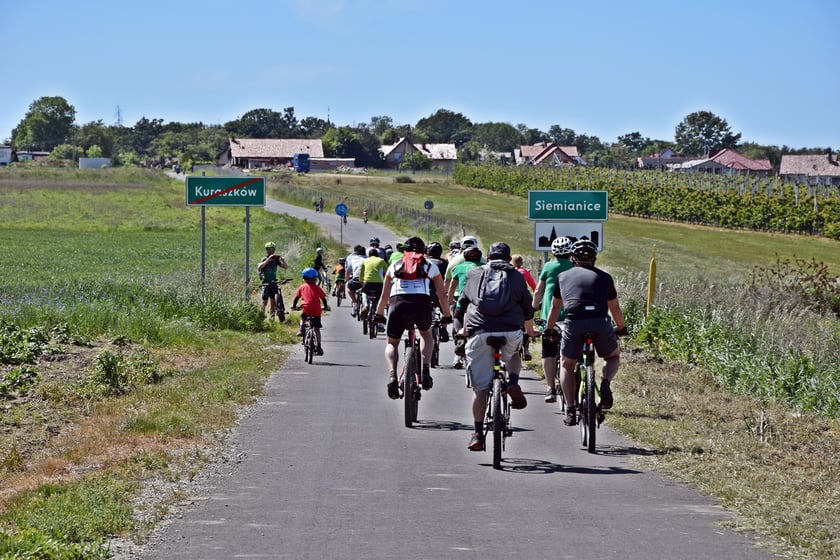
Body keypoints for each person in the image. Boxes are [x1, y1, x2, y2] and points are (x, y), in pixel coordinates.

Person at [455, 242, 539, 452]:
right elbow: (527, 309)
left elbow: (462, 305)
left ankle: (477, 433)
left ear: (489, 257)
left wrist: (463, 330)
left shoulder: (474, 274)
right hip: (510, 330)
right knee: (513, 352)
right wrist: (529, 330)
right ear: (509, 258)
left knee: (480, 389)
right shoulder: (516, 276)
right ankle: (512, 381)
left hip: (480, 332)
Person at [544, 239, 628, 426]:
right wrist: (621, 327)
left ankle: (571, 409)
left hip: (574, 323)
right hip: (600, 322)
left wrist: (549, 329)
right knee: (612, 357)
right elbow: (614, 307)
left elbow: (555, 307)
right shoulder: (605, 277)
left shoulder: (563, 277)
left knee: (566, 365)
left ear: (573, 258)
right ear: (594, 258)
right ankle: (605, 383)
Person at [374, 236, 452, 399]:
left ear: (404, 251)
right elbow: (442, 295)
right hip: (421, 304)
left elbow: (384, 296)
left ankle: (393, 376)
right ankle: (425, 370)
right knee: (426, 335)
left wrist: (378, 314)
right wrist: (446, 315)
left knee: (392, 343)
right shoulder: (430, 266)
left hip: (398, 303)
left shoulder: (394, 265)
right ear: (423, 251)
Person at [532, 236, 574, 403]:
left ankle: (550, 387)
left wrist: (533, 308)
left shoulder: (549, 266)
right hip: (571, 316)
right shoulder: (574, 266)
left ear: (553, 253)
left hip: (550, 317)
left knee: (548, 352)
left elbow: (538, 291)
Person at [446, 246, 482, 368]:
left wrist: (449, 301)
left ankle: (459, 347)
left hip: (463, 303)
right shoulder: (483, 268)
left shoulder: (459, 268)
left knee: (457, 323)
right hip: (479, 304)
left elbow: (452, 287)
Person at [292, 268, 330, 356]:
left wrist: (294, 306)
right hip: (317, 310)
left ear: (304, 278)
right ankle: (319, 346)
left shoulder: (302, 287)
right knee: (317, 329)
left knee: (303, 317)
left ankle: (301, 330)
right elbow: (323, 298)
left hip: (306, 308)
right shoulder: (317, 288)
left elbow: (296, 298)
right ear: (315, 278)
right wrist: (325, 306)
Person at [512, 254, 537, 361]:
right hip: (524, 300)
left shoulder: (510, 272)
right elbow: (534, 287)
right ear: (521, 263)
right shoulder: (525, 272)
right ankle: (526, 349)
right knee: (527, 324)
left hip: (513, 301)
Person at [257, 241, 288, 319]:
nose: (271, 251)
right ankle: (261, 316)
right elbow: (259, 267)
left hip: (273, 282)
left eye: (272, 249)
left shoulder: (275, 260)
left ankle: (272, 318)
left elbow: (285, 267)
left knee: (273, 301)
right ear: (266, 250)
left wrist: (283, 261)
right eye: (269, 249)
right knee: (264, 301)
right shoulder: (265, 258)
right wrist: (268, 259)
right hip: (266, 282)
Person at [358, 247, 388, 320]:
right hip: (379, 284)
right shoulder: (381, 260)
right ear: (377, 255)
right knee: (380, 298)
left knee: (364, 292)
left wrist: (361, 281)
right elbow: (387, 271)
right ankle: (379, 314)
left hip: (367, 283)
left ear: (369, 255)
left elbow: (361, 273)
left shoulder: (365, 261)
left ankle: (365, 305)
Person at [345, 245, 367, 315]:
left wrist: (347, 280)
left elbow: (348, 271)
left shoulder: (353, 259)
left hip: (356, 280)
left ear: (357, 253)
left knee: (348, 286)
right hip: (365, 281)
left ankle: (354, 302)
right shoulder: (368, 259)